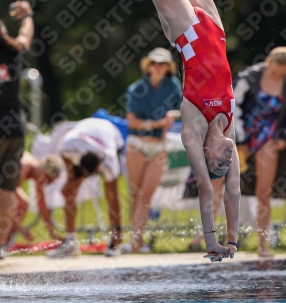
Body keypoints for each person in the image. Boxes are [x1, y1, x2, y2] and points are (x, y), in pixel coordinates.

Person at [95, 0, 240, 262]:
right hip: (216, 29)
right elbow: (234, 192)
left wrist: (211, 243)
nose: (228, 159)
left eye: (220, 162)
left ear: (208, 155)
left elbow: (211, 192)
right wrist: (234, 241)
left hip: (187, 33)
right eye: (229, 159)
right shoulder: (227, 125)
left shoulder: (194, 130)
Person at [234, 47, 286, 257]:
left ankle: (262, 245)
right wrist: (240, 140)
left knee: (263, 193)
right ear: (268, 62)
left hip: (271, 139)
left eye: (282, 73)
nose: (278, 76)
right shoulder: (248, 78)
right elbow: (233, 106)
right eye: (275, 72)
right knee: (222, 186)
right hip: (243, 134)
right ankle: (213, 239)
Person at [124, 47, 182, 253]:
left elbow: (182, 108)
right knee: (136, 193)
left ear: (168, 67)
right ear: (148, 65)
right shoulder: (136, 88)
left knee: (146, 195)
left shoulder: (173, 85)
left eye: (162, 64)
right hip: (137, 144)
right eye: (154, 63)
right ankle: (135, 240)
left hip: (159, 146)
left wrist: (173, 115)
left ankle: (136, 240)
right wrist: (157, 124)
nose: (158, 67)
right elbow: (132, 122)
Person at [46, 117, 124, 258]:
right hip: (85, 132)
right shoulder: (67, 146)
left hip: (110, 132)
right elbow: (70, 176)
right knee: (69, 192)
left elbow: (114, 197)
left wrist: (118, 230)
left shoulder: (109, 159)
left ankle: (115, 241)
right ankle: (70, 242)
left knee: (111, 195)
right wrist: (71, 181)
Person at [0, 0, 34, 259]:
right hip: (16, 131)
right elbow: (25, 35)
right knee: (8, 190)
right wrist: (27, 15)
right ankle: (1, 246)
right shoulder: (13, 52)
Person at [9, 151, 62, 244]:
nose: (45, 183)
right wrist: (22, 230)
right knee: (21, 204)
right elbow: (4, 204)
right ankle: (4, 242)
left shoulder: (36, 170)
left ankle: (5, 241)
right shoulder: (24, 168)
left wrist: (52, 232)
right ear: (45, 172)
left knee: (23, 204)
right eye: (48, 180)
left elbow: (41, 204)